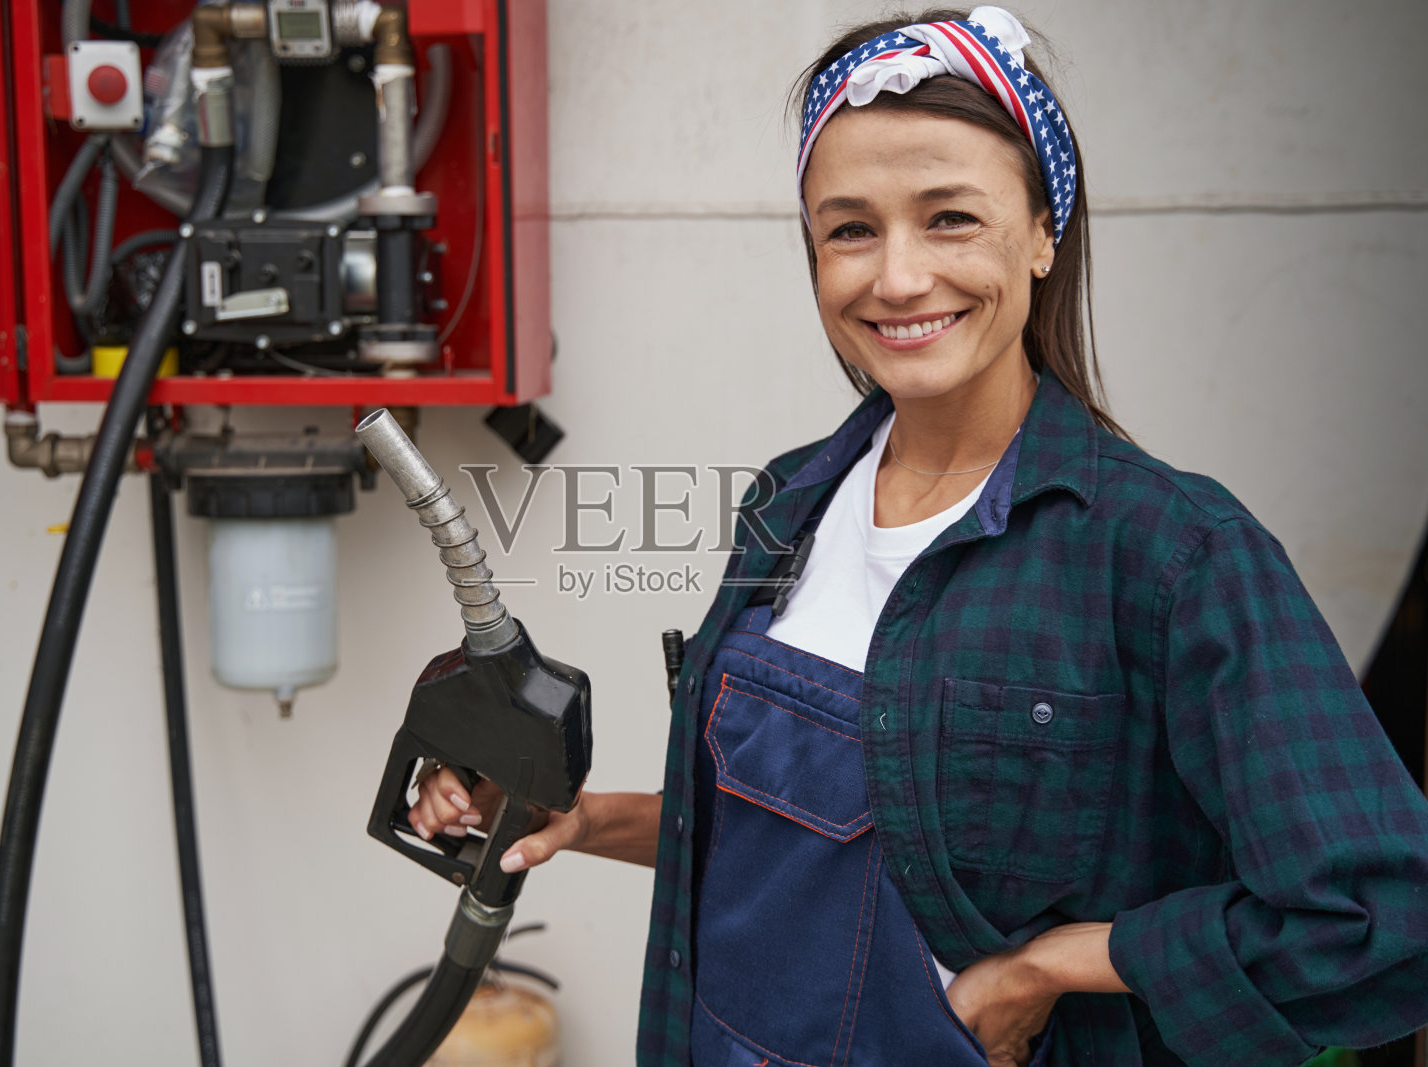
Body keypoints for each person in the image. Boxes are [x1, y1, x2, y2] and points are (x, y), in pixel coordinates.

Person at [410, 7, 1428, 1065]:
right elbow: (790, 837)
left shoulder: (1170, 556)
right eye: (850, 228)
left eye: (949, 217)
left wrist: (1064, 961)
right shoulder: (789, 500)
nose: (896, 278)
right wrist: (578, 817)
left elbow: (1381, 916)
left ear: (1042, 232)